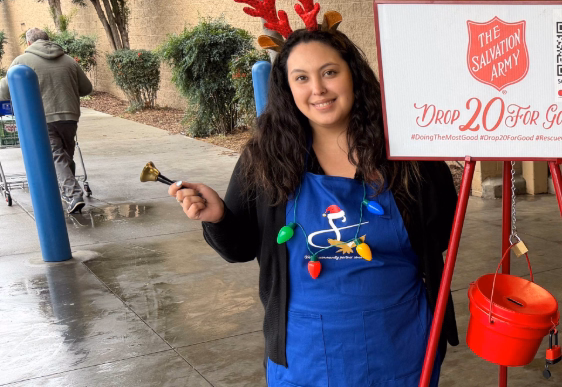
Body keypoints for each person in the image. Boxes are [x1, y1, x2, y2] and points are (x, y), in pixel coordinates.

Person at [168, 26, 459, 386]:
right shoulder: (266, 158)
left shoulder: (409, 158)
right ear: (288, 89)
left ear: (353, 75)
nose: (318, 89)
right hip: (305, 353)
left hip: (400, 343)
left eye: (330, 72)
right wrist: (217, 218)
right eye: (301, 78)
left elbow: (441, 233)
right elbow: (240, 247)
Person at [0, 28, 93, 213]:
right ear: (48, 40)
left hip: (42, 117)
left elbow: (4, 92)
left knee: (56, 156)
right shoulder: (69, 61)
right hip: (70, 116)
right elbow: (86, 88)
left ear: (29, 43)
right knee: (65, 155)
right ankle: (68, 190)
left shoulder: (21, 62)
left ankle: (73, 194)